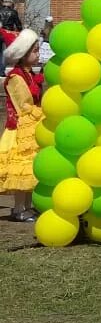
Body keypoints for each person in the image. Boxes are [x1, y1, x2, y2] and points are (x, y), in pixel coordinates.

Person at [1, 30, 45, 221]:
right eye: (34, 51)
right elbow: (23, 106)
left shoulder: (28, 75)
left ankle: (27, 207)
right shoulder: (16, 77)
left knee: (31, 170)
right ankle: (19, 208)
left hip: (31, 127)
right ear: (22, 54)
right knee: (22, 168)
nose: (38, 54)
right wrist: (42, 113)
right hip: (20, 129)